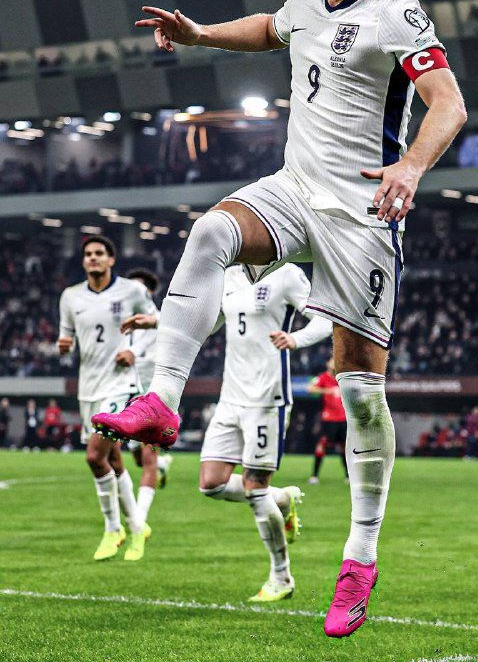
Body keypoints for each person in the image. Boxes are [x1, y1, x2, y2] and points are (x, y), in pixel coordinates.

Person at [94, 0, 466, 637]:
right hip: (295, 188)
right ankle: (163, 397)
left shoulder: (396, 11)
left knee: (360, 394)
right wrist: (200, 34)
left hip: (361, 214)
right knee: (210, 234)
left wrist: (410, 167)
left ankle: (359, 558)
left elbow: (449, 103)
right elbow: (272, 28)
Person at [123, 263, 332, 602]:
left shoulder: (288, 274)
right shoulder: (230, 277)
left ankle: (281, 577)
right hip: (230, 398)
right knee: (211, 484)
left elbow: (324, 320)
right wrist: (155, 321)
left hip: (267, 399)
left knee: (255, 488)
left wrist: (296, 338)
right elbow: (203, 321)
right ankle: (282, 499)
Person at [58, 236, 158, 561]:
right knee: (113, 460)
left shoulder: (132, 291)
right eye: (88, 254)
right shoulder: (71, 297)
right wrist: (64, 347)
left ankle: (113, 528)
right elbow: (68, 339)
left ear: (111, 259)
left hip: (119, 385)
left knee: (93, 456)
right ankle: (138, 526)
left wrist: (135, 351)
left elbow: (157, 324)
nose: (93, 258)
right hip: (89, 387)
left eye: (99, 253)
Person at [124, 268, 173, 524]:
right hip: (127, 394)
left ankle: (139, 521)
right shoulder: (123, 321)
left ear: (150, 293)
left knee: (147, 457)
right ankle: (163, 466)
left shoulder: (161, 319)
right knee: (137, 458)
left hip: (153, 394)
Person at [307, 356, 348, 484]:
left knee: (345, 447)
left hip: (343, 418)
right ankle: (314, 476)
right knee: (322, 444)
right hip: (329, 418)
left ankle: (348, 476)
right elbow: (310, 388)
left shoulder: (343, 378)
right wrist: (327, 391)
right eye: (332, 361)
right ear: (327, 363)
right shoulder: (322, 377)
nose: (334, 363)